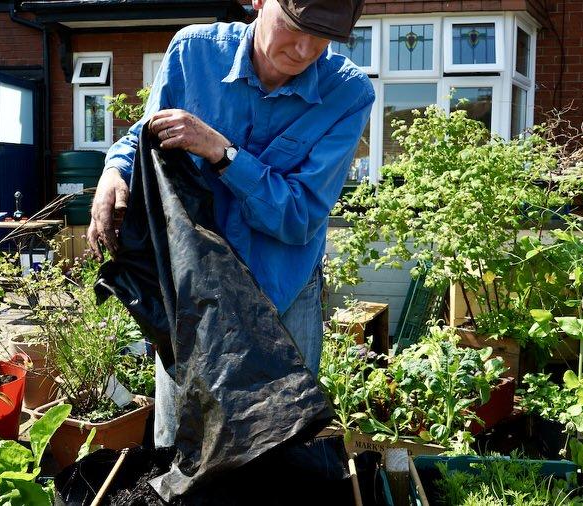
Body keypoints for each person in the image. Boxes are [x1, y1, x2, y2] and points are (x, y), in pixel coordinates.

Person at [87, 0, 373, 448]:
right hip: (192, 296)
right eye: (294, 26)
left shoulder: (348, 93)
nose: (303, 49)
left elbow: (298, 217)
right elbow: (147, 133)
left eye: (322, 37)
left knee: (277, 448)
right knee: (180, 444)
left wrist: (223, 153)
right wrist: (114, 173)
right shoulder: (194, 53)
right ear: (259, 2)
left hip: (280, 297)